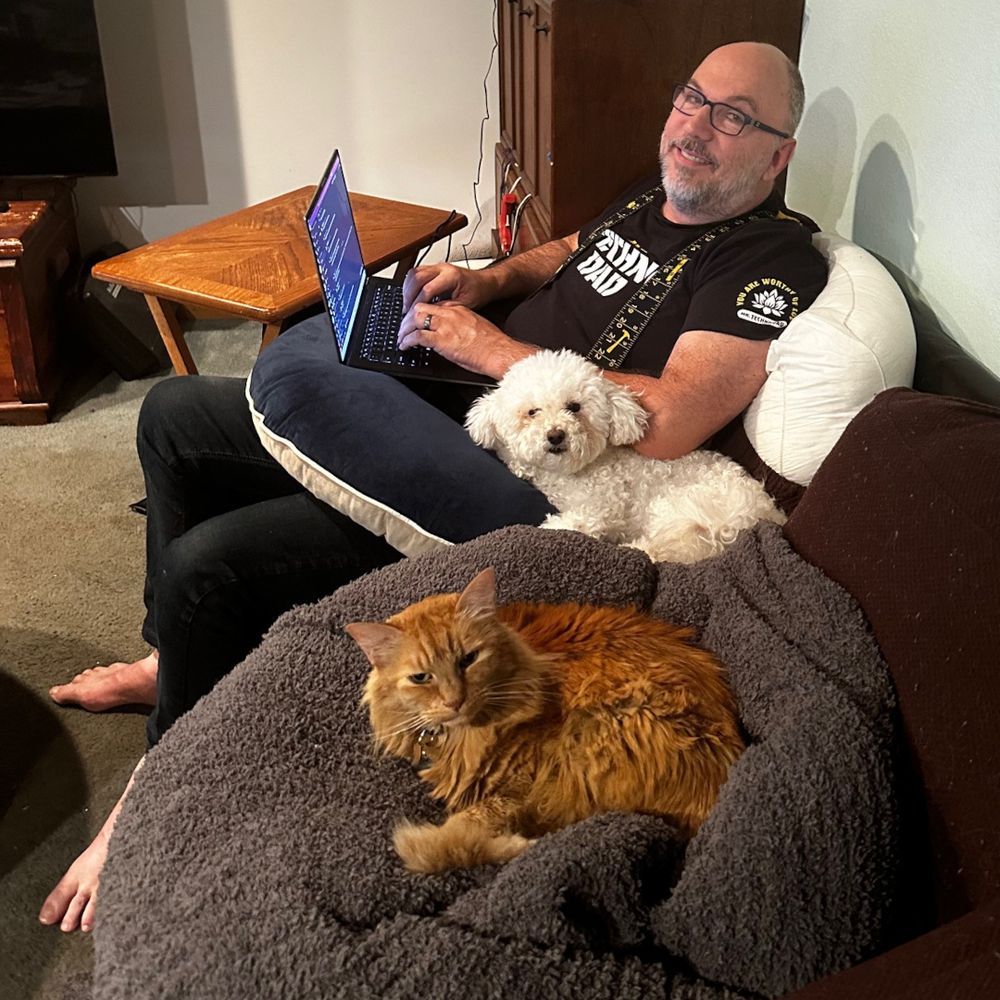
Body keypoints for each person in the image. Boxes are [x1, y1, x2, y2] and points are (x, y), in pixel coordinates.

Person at [39, 40, 828, 933]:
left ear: (778, 153)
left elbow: (680, 413)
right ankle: (166, 660)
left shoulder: (769, 258)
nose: (694, 128)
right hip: (475, 409)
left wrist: (485, 348)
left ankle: (147, 799)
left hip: (542, 487)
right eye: (692, 99)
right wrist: (482, 282)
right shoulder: (654, 198)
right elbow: (570, 249)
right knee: (175, 414)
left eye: (733, 118)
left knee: (209, 566)